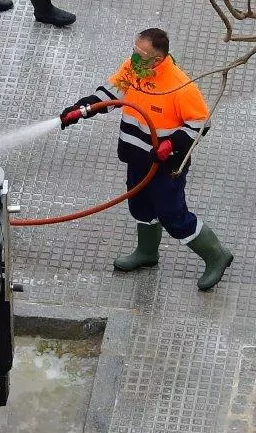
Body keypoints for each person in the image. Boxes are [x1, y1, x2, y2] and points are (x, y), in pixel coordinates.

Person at [60, 28, 234, 290]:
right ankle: (148, 253)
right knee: (140, 207)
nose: (134, 56)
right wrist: (81, 109)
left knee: (173, 216)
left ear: (158, 58)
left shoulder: (180, 86)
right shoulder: (134, 69)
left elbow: (200, 123)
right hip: (137, 157)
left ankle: (216, 255)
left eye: (141, 54)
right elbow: (110, 95)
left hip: (165, 165)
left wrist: (170, 145)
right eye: (135, 49)